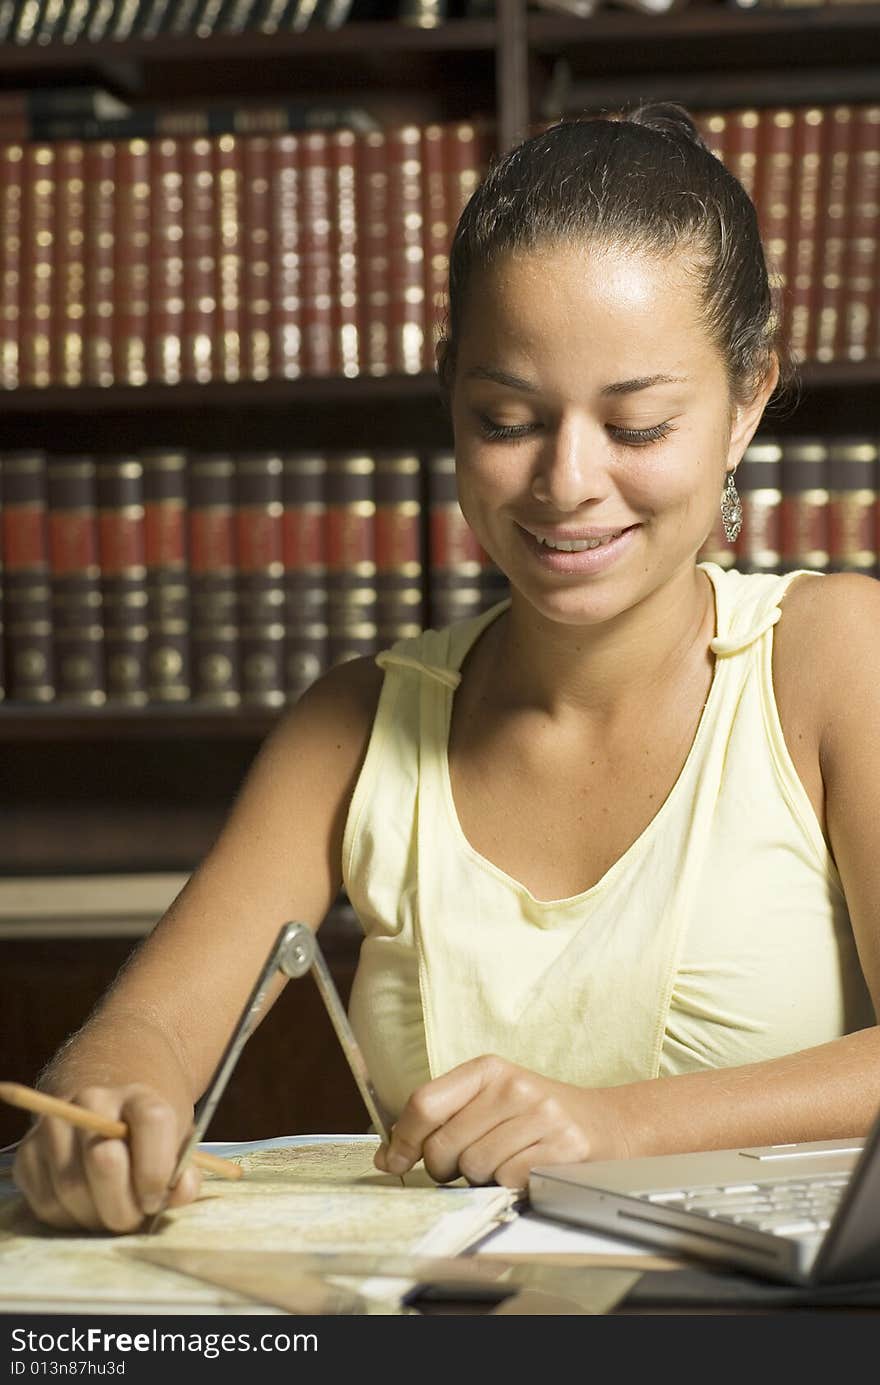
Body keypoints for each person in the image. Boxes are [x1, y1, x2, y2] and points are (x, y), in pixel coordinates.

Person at [14, 104, 880, 1234]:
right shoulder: (354, 717)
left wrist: (614, 1126)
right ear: (450, 398)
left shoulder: (833, 655)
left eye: (636, 426)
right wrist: (104, 1105)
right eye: (506, 416)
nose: (566, 480)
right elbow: (151, 1032)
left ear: (747, 397)